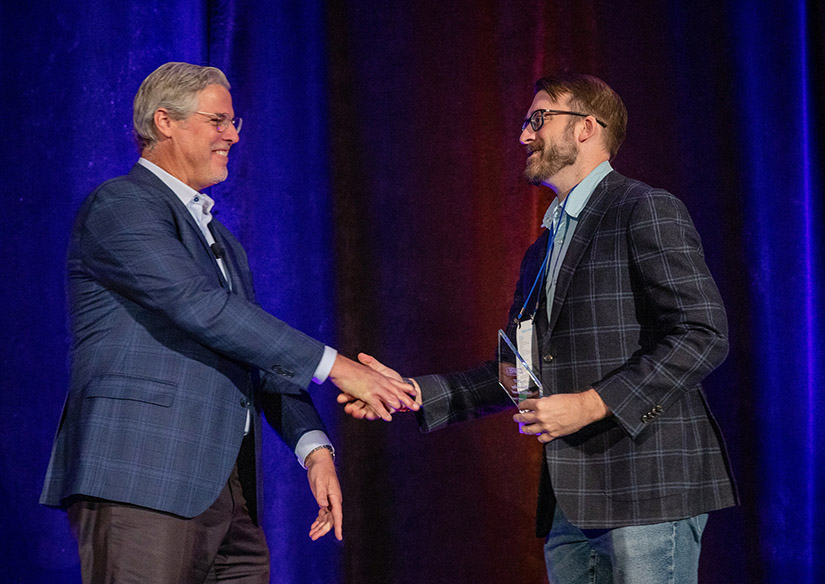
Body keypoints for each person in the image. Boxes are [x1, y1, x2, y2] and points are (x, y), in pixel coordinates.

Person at [339, 73, 737, 584]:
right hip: (572, 502)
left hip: (647, 488)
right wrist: (413, 392)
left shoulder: (643, 208)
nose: (524, 135)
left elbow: (702, 332)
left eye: (538, 119)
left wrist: (591, 403)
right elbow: (519, 373)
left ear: (588, 127)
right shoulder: (541, 250)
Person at [40, 61, 417, 584]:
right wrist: (339, 369)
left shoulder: (226, 243)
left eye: (234, 122)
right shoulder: (120, 204)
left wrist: (314, 450)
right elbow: (198, 305)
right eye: (218, 121)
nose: (234, 135)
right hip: (144, 477)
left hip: (229, 494)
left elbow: (252, 346)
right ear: (165, 121)